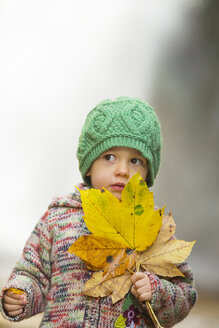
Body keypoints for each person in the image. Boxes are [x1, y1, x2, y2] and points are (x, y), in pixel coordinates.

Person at [0, 97, 197, 327]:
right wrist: (19, 295)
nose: (122, 170)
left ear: (147, 172)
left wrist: (157, 291)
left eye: (135, 160)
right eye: (109, 157)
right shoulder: (58, 218)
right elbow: (33, 274)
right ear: (89, 165)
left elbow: (185, 293)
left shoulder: (154, 226)